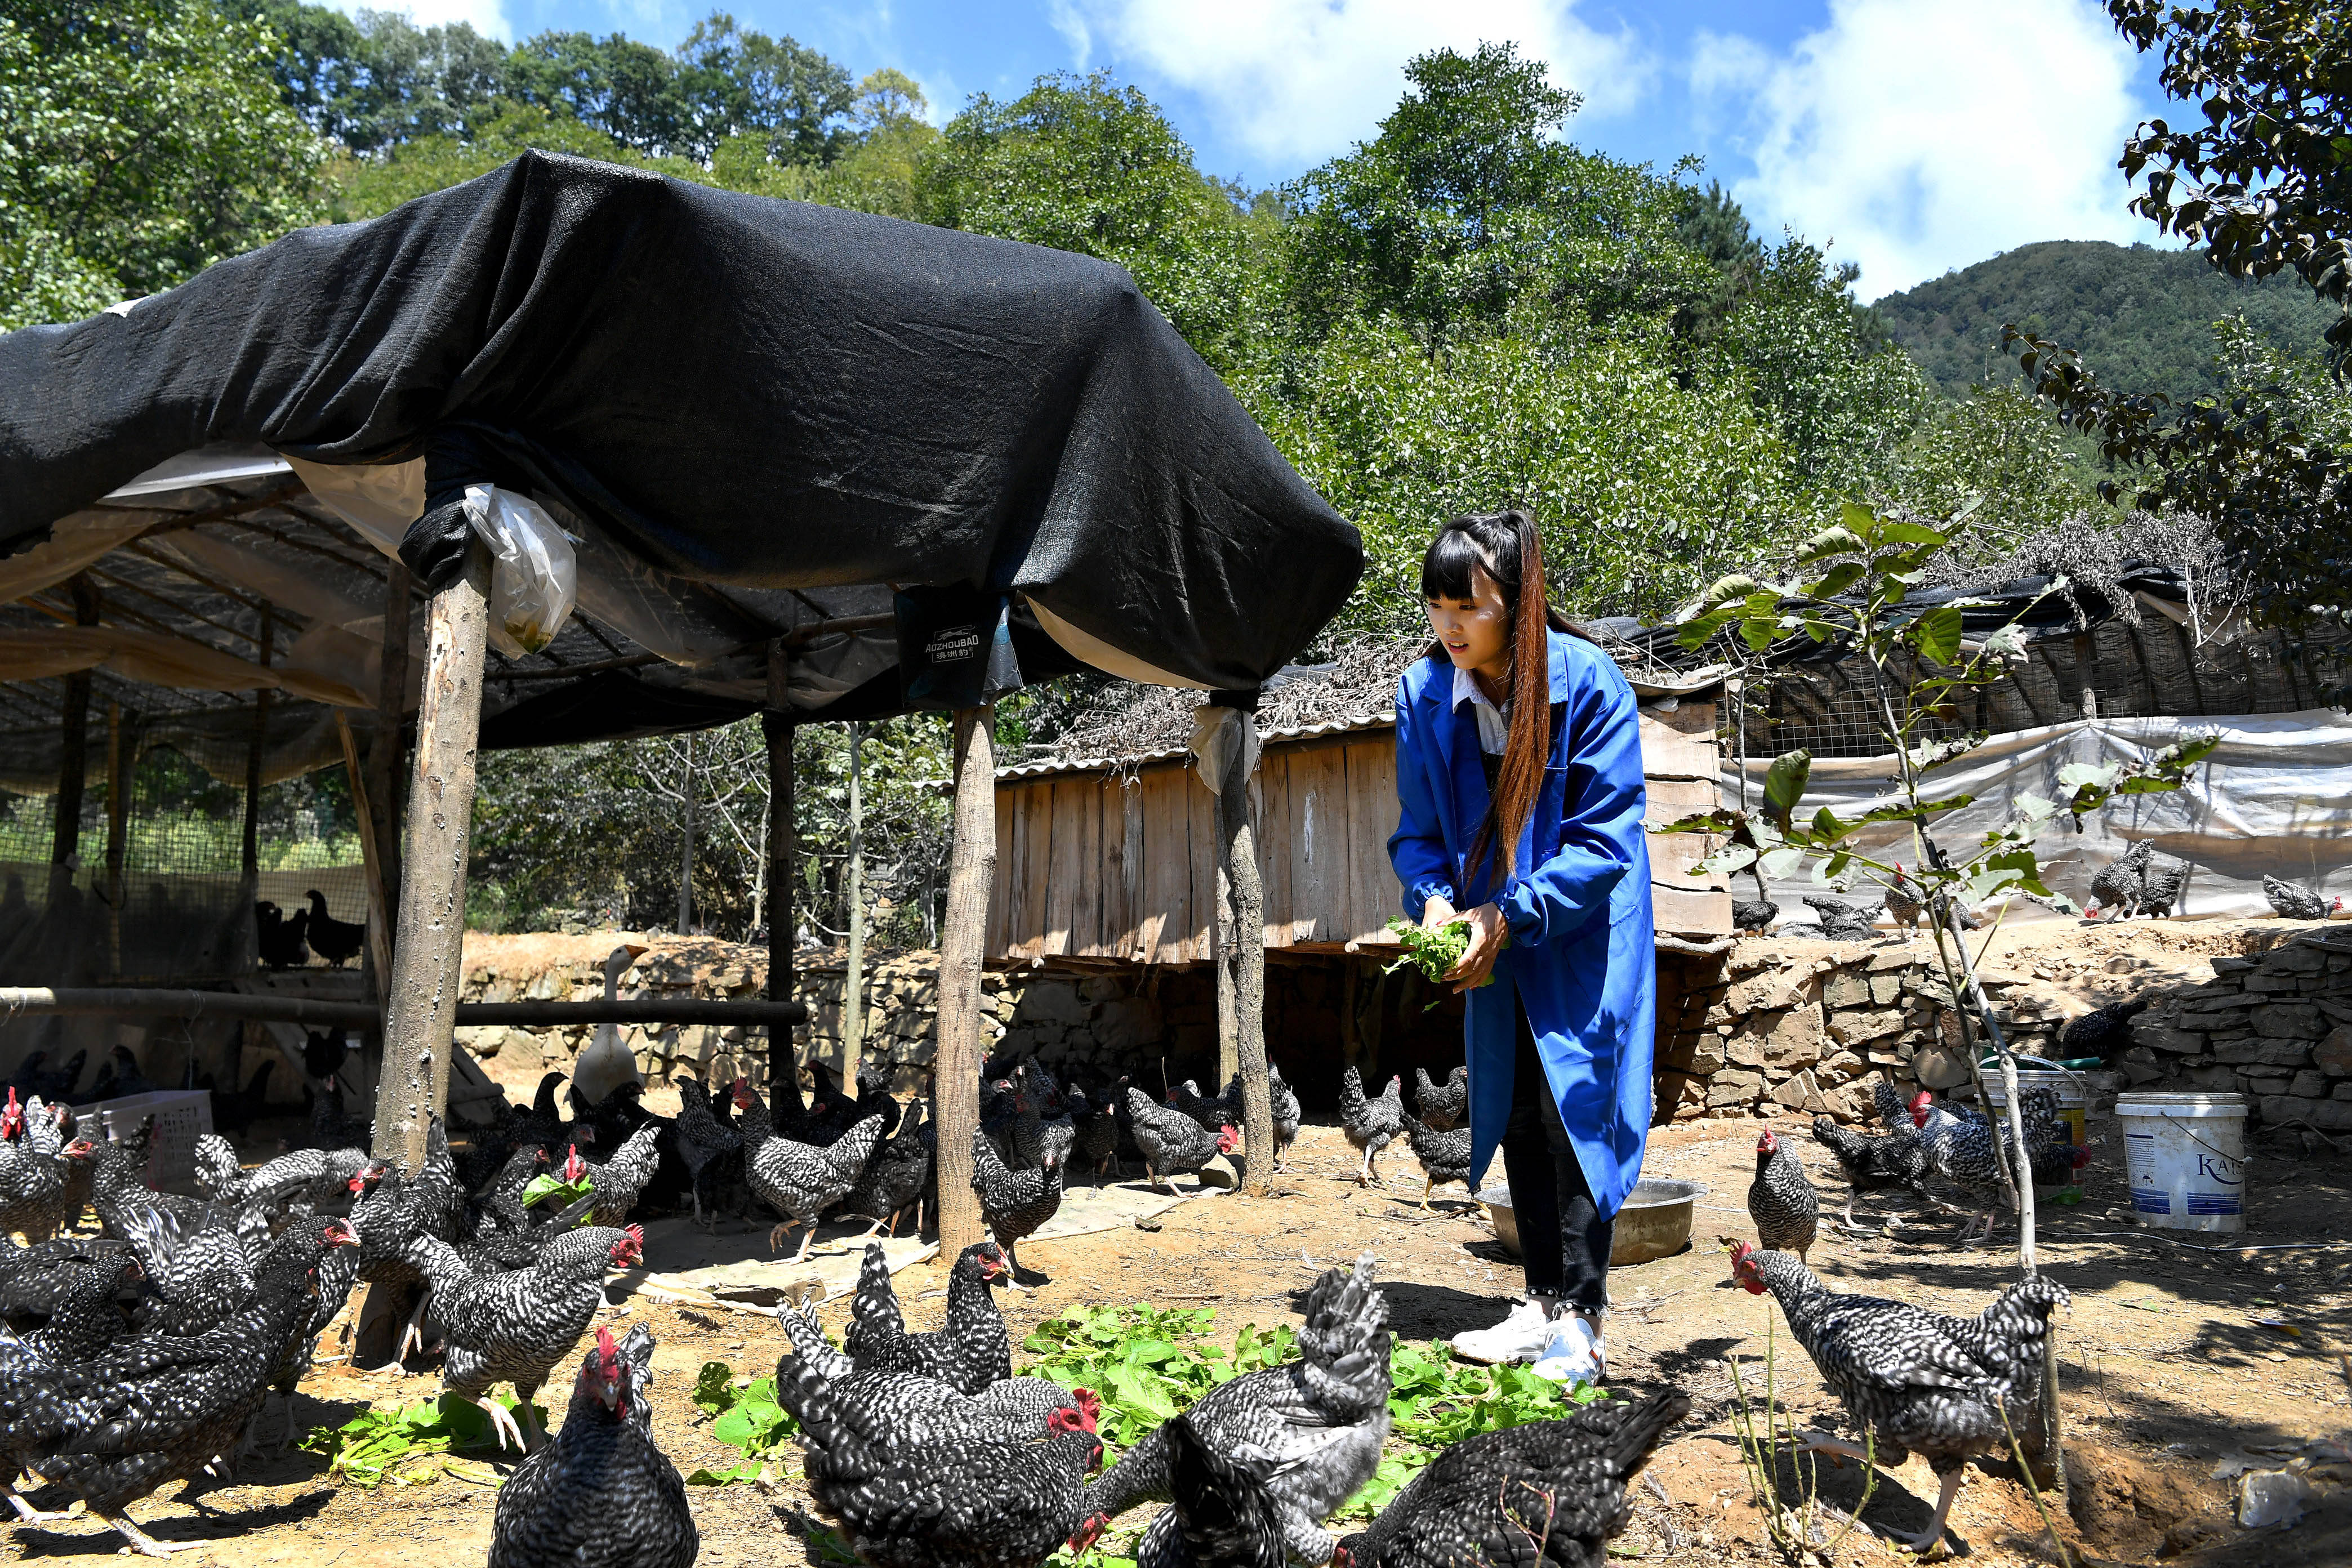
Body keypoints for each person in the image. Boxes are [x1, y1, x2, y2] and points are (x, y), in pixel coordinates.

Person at [1387, 509, 1655, 1385]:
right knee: (1511, 1104)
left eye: (1467, 606)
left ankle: (1585, 1319)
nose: (1448, 627)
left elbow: (1606, 840)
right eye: (1435, 605)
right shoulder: (1425, 697)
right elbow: (1420, 832)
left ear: (1519, 601)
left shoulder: (1589, 685)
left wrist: (1514, 914)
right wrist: (1432, 903)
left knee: (1575, 1106)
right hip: (1486, 929)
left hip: (1579, 927)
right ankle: (1540, 1305)